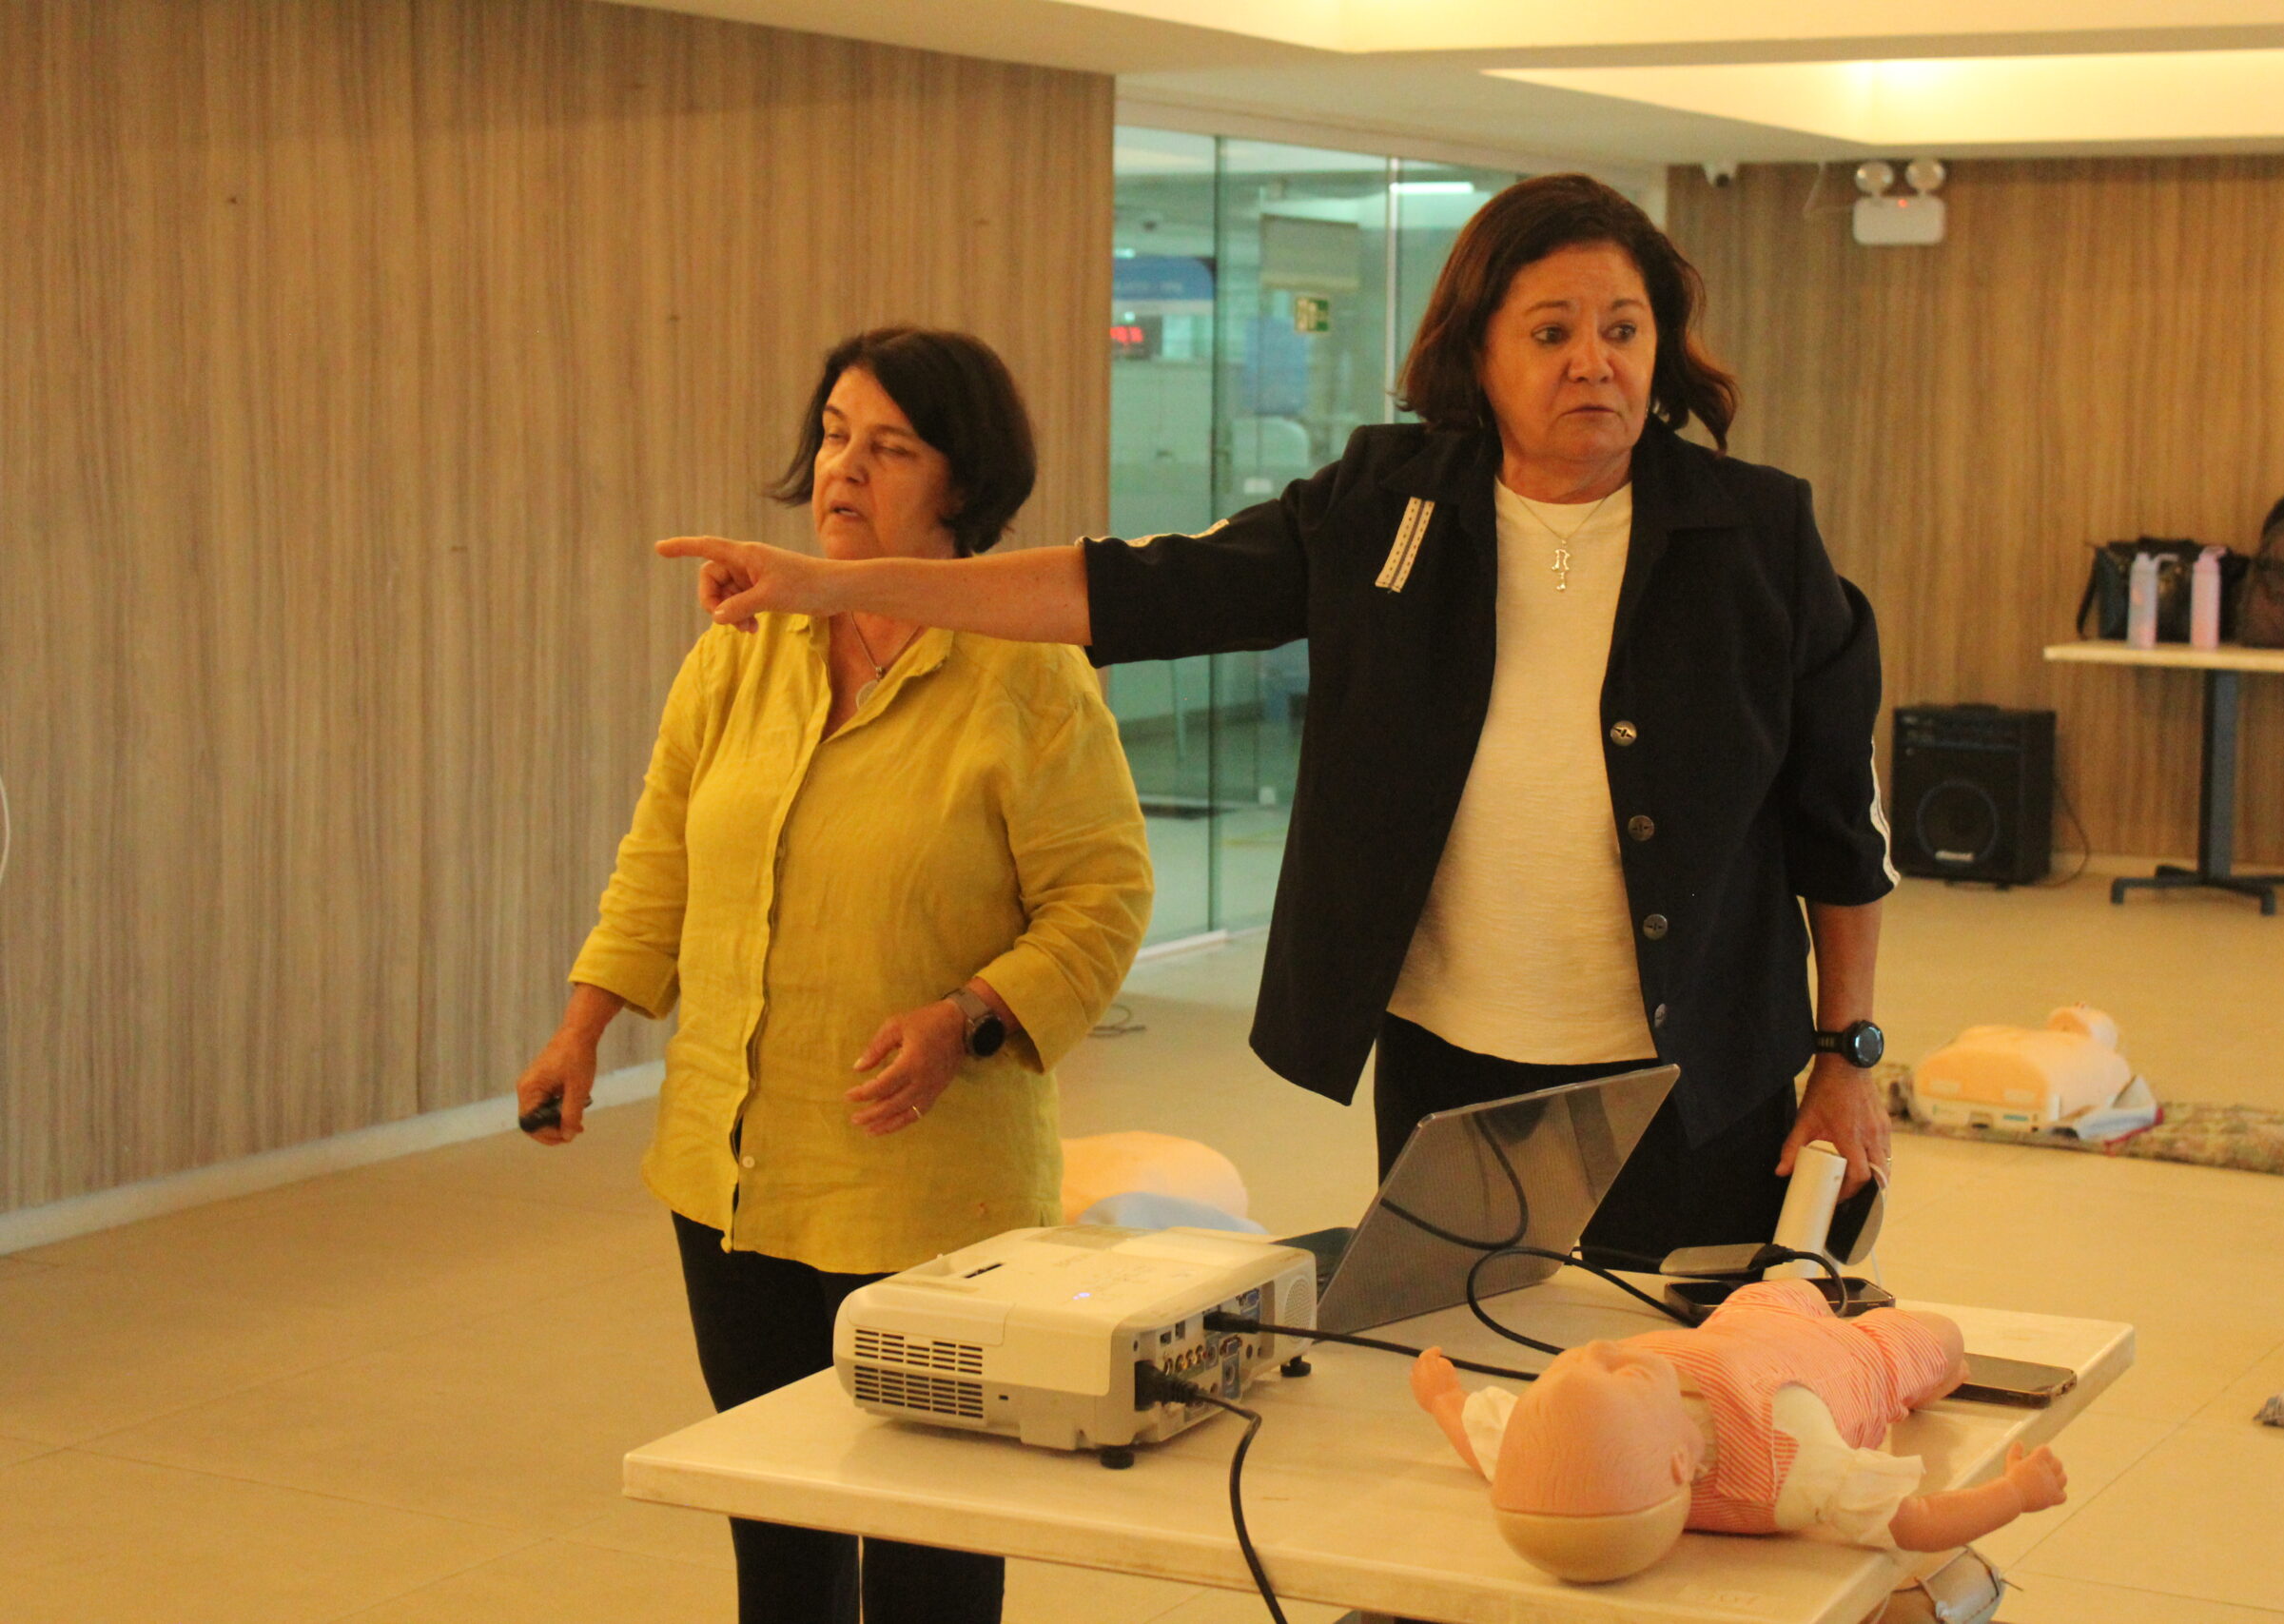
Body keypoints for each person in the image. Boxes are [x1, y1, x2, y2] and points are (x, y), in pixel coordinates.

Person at [655, 174, 1898, 1265]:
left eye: (1623, 329)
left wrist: (1847, 1056)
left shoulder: (1755, 536)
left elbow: (1836, 824)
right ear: (1478, 355)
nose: (1595, 361)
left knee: (1696, 1384)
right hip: (1454, 1061)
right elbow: (1125, 589)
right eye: (1552, 331)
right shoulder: (1388, 505)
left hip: (1698, 1066)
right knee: (1466, 1370)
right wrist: (838, 585)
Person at [517, 326, 1154, 1624]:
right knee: (779, 1533)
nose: (844, 470)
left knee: (929, 1549)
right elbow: (661, 858)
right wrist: (583, 1027)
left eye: (891, 447)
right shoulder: (743, 649)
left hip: (930, 1193)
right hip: (735, 1176)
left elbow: (1104, 897)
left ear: (962, 484)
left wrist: (970, 1017)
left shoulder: (1030, 675)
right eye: (834, 435)